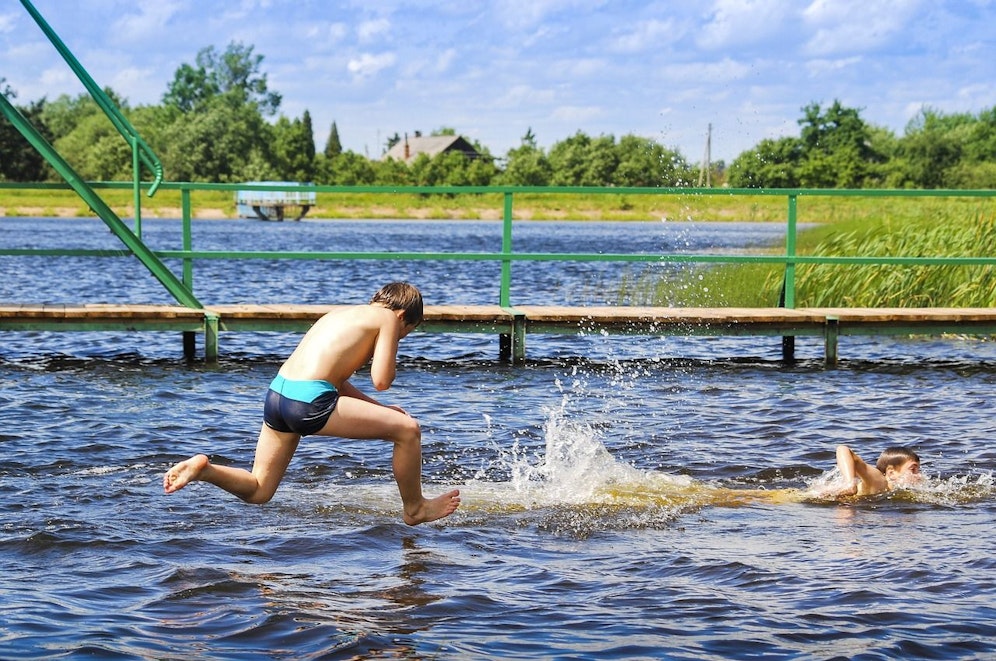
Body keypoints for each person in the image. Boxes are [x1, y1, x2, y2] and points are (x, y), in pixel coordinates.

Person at [163, 282, 461, 526]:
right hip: (308, 401)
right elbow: (381, 380)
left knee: (259, 490)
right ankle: (415, 508)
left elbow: (337, 381)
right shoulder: (388, 319)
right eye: (406, 333)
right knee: (408, 430)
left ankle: (205, 470)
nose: (400, 338)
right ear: (402, 315)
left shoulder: (339, 315)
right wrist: (392, 346)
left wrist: (382, 410)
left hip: (277, 396)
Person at [833, 444, 922, 497]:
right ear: (891, 473)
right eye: (913, 469)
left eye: (918, 470)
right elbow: (842, 449)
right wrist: (850, 485)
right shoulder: (880, 481)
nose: (919, 476)